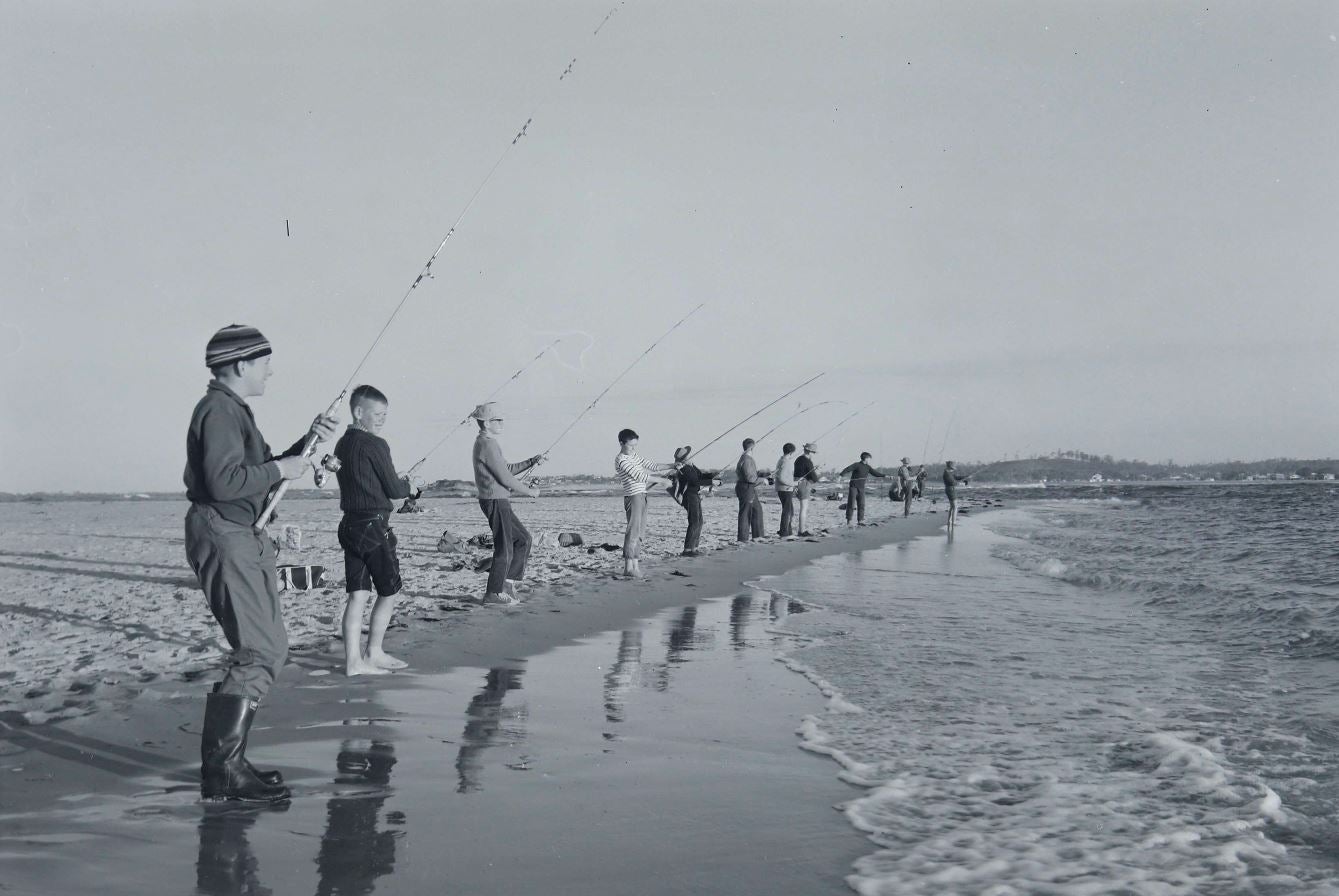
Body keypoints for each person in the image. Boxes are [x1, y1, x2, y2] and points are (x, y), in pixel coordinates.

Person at [184, 324, 339, 802]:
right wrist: (281, 469)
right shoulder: (219, 410)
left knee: (269, 648)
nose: (271, 369)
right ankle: (223, 773)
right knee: (259, 652)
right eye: (264, 361)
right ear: (240, 365)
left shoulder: (231, 410)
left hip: (241, 533)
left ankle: (228, 765)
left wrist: (305, 445)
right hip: (225, 533)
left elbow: (254, 477)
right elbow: (227, 481)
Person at [333, 385, 424, 676]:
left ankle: (353, 663)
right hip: (373, 526)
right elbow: (395, 490)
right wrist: (413, 488)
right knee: (389, 590)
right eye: (377, 414)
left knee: (358, 595)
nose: (382, 420)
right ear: (359, 412)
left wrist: (397, 484)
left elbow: (368, 481)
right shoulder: (375, 444)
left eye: (385, 414)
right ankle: (373, 652)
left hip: (349, 525)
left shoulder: (342, 444)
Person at [471, 402, 544, 605]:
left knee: (523, 539)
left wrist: (531, 461)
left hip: (499, 501)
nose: (502, 423)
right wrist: (529, 491)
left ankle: (507, 582)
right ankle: (493, 593)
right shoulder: (486, 444)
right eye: (498, 420)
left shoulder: (487, 443)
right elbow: (505, 478)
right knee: (505, 548)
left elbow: (506, 469)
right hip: (494, 501)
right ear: (486, 423)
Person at [614, 429, 676, 577]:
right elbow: (639, 475)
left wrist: (672, 465)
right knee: (633, 531)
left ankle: (635, 564)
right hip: (633, 496)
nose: (634, 449)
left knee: (640, 531)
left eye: (635, 445)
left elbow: (652, 466)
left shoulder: (634, 456)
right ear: (621, 443)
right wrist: (662, 480)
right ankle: (628, 568)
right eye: (631, 445)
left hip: (642, 495)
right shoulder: (621, 459)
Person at [670, 446, 721, 556]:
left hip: (695, 495)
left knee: (699, 521)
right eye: (688, 455)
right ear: (684, 458)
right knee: (694, 521)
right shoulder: (684, 469)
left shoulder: (690, 466)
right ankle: (688, 550)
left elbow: (700, 476)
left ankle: (694, 548)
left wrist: (713, 475)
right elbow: (695, 481)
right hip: (690, 496)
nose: (691, 456)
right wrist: (712, 482)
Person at [839, 452, 887, 526]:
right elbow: (848, 469)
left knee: (861, 504)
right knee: (851, 504)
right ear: (866, 458)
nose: (870, 460)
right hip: (853, 487)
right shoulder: (857, 465)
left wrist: (885, 476)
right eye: (869, 459)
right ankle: (849, 521)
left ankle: (860, 520)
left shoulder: (868, 467)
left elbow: (875, 473)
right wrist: (840, 476)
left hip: (861, 488)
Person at [734, 438, 768, 542]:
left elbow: (749, 475)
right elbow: (750, 478)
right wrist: (762, 480)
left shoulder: (744, 458)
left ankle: (758, 536)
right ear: (752, 447)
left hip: (747, 488)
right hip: (746, 488)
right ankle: (743, 539)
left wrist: (761, 475)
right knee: (745, 513)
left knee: (757, 510)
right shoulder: (747, 459)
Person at [793, 442, 820, 536]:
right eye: (813, 452)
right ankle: (801, 530)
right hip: (804, 484)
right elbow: (814, 478)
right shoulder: (808, 461)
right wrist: (815, 474)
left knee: (802, 508)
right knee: (804, 508)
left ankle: (801, 529)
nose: (814, 454)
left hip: (796, 483)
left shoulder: (798, 459)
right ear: (809, 452)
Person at [774, 443, 798, 537]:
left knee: (789, 510)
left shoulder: (782, 460)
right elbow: (781, 477)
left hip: (783, 489)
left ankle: (787, 531)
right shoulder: (786, 462)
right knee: (788, 511)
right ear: (792, 452)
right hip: (785, 489)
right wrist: (794, 484)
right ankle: (784, 532)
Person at [943, 460, 971, 531]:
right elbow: (953, 482)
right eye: (953, 467)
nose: (954, 469)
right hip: (950, 490)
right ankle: (953, 522)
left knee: (952, 507)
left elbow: (956, 477)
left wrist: (966, 476)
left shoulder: (948, 472)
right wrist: (963, 484)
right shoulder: (947, 474)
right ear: (950, 467)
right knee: (955, 506)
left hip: (950, 490)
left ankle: (949, 521)